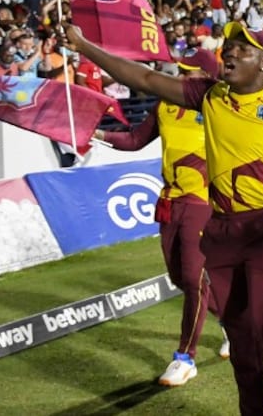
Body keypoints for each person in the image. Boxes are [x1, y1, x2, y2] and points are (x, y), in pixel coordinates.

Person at [66, 20, 263, 416]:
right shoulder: (207, 95)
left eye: (243, 50)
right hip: (222, 229)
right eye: (229, 47)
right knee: (241, 336)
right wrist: (84, 45)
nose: (231, 53)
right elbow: (143, 76)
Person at [96, 48, 228, 387]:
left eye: (189, 73)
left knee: (194, 279)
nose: (181, 78)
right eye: (181, 71)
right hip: (170, 202)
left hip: (203, 202)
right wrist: (95, 135)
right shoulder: (166, 105)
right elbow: (135, 140)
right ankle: (233, 323)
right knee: (181, 279)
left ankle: (185, 358)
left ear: (207, 78)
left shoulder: (219, 106)